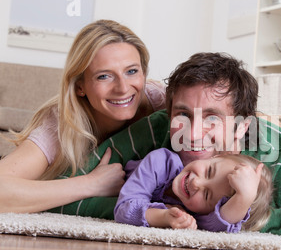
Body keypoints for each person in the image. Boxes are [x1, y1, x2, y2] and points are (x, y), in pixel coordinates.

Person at [25, 52, 281, 244]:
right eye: (183, 114)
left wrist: (245, 219)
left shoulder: (275, 157)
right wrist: (152, 209)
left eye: (213, 118)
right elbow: (62, 190)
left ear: (242, 130)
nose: (193, 132)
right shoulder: (157, 132)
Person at [0, 20, 165, 214]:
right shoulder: (61, 124)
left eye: (131, 71)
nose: (122, 88)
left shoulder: (162, 103)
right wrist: (91, 184)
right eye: (104, 76)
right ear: (80, 86)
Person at [114, 148, 273, 232]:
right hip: (112, 183)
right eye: (209, 171)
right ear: (215, 157)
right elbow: (123, 210)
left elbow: (217, 228)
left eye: (207, 195)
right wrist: (163, 217)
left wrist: (244, 198)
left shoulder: (197, 214)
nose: (196, 182)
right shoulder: (161, 162)